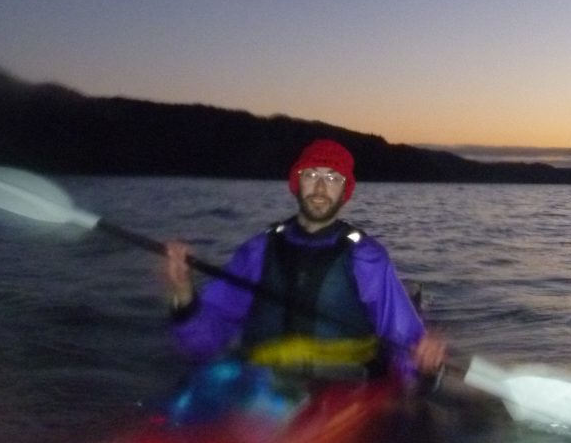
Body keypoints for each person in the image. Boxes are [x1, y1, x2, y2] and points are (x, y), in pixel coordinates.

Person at [164, 138, 445, 381]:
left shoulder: (367, 257)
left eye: (333, 178)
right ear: (297, 182)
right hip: (256, 383)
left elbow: (406, 343)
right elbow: (202, 344)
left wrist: (424, 362)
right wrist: (183, 294)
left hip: (341, 386)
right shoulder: (257, 250)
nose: (321, 188)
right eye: (312, 175)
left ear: (345, 192)